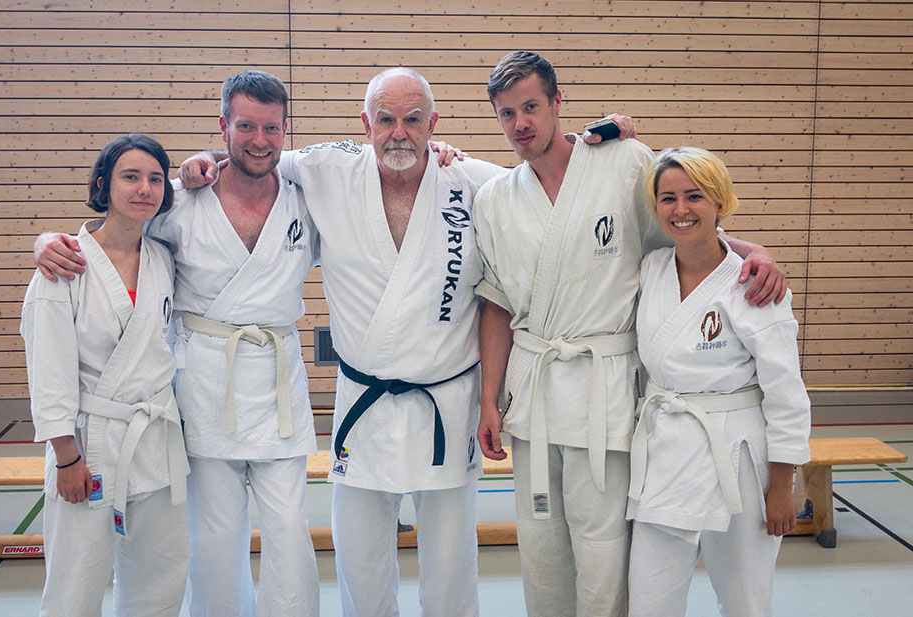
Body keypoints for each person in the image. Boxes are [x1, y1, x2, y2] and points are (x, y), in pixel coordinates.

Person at [178, 67, 632, 617]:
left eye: (414, 119)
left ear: (434, 124)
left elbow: (558, 201)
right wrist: (202, 161)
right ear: (365, 123)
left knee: (450, 566)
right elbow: (253, 155)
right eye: (386, 119)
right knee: (361, 562)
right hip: (363, 408)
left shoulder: (473, 181)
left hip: (447, 402)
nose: (400, 132)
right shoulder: (326, 168)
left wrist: (722, 243)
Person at [471, 51, 788, 617]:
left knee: (603, 545)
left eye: (531, 107)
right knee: (539, 542)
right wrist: (488, 398)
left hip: (606, 392)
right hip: (534, 390)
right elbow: (494, 302)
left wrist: (753, 249)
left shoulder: (623, 162)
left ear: (558, 103)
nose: (520, 123)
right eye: (506, 113)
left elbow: (685, 225)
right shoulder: (495, 197)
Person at [36, 72, 321, 617]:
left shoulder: (307, 202)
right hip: (205, 385)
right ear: (223, 127)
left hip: (278, 381)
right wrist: (46, 240)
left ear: (285, 131)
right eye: (244, 126)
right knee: (214, 531)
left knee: (288, 525)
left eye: (270, 128)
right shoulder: (179, 206)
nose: (259, 139)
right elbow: (111, 237)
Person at [626, 147, 811, 617]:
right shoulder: (651, 268)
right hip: (666, 448)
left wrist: (783, 485)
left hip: (741, 456)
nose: (681, 210)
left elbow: (787, 393)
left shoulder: (754, 285)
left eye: (695, 196)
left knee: (746, 600)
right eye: (668, 198)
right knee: (649, 599)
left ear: (719, 201)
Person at [21, 133, 190, 617]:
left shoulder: (163, 258)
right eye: (130, 177)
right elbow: (48, 371)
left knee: (161, 576)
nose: (145, 189)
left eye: (156, 179)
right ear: (103, 185)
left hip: (156, 438)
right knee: (77, 582)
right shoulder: (64, 264)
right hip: (89, 446)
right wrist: (66, 457)